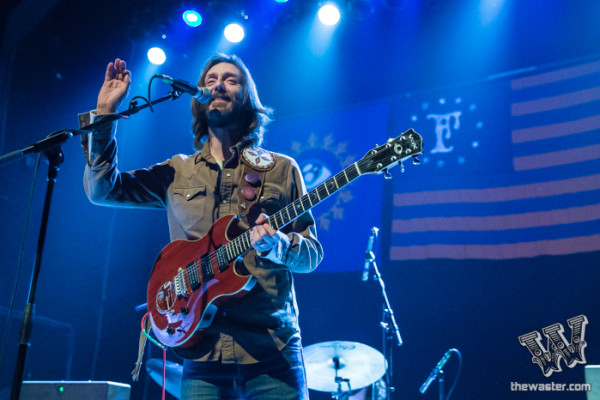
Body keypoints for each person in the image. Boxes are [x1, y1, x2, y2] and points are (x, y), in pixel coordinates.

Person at [78, 54, 323, 400]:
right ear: (199, 98)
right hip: (202, 352)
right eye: (210, 80)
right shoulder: (177, 171)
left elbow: (311, 253)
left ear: (248, 97)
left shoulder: (282, 169)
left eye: (231, 80)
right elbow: (102, 190)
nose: (218, 84)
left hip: (271, 352)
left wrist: (279, 245)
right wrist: (105, 114)